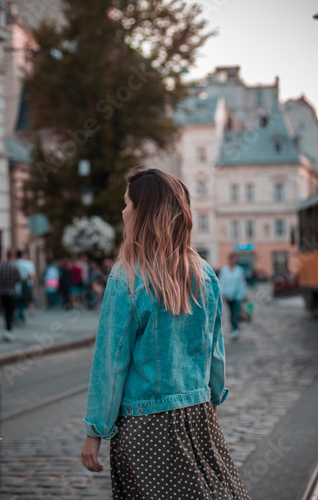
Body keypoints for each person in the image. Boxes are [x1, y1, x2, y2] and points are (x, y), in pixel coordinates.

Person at [81, 168, 251, 499]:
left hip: (144, 424)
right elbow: (214, 347)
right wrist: (212, 396)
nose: (123, 211)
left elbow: (111, 361)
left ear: (143, 212)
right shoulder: (203, 272)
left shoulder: (126, 277)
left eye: (127, 204)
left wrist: (95, 431)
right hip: (198, 416)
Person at [0, 249, 22, 341]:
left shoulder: (1, 267)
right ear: (13, 256)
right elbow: (19, 279)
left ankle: (7, 330)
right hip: (12, 292)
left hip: (3, 292)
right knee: (11, 312)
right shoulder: (14, 268)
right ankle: (8, 331)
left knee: (6, 312)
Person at [219, 253, 247, 341]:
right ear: (230, 260)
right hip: (228, 295)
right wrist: (222, 293)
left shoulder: (239, 270)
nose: (234, 261)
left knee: (236, 311)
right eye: (232, 259)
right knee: (230, 313)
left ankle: (236, 330)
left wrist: (243, 294)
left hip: (237, 295)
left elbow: (242, 283)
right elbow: (221, 282)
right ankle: (233, 328)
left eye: (235, 259)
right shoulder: (224, 270)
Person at [14, 250, 35, 323]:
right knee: (24, 300)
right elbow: (31, 274)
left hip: (16, 284)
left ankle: (17, 315)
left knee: (17, 301)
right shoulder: (28, 263)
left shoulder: (14, 263)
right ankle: (21, 315)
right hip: (25, 283)